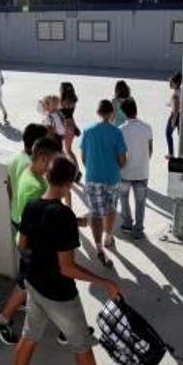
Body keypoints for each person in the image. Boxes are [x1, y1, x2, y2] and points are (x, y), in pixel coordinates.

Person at [9, 156, 121, 365]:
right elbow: (67, 267)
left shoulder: (32, 205)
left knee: (29, 337)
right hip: (59, 295)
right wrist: (104, 282)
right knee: (82, 346)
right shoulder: (63, 216)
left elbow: (22, 246)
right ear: (69, 184)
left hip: (33, 283)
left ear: (47, 177)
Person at [0, 136, 62, 345]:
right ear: (44, 159)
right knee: (39, 283)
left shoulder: (29, 175)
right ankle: (1, 320)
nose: (55, 167)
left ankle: (3, 319)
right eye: (54, 161)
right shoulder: (37, 187)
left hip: (27, 243)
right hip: (35, 247)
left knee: (29, 283)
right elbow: (39, 223)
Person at [80, 100, 127, 267]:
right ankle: (108, 237)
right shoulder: (117, 132)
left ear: (97, 112)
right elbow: (122, 161)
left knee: (96, 214)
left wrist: (94, 168)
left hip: (93, 178)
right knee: (111, 208)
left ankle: (99, 247)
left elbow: (84, 158)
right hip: (112, 179)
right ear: (112, 113)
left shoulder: (87, 131)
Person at [117, 99, 153, 240]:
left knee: (124, 198)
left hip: (125, 171)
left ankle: (127, 223)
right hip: (142, 171)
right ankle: (138, 229)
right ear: (136, 109)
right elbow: (150, 150)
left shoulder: (121, 130)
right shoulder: (147, 127)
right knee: (140, 202)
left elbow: (119, 153)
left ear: (123, 112)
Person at [59, 82, 82, 179]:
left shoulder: (61, 102)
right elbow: (70, 116)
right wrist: (75, 127)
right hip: (71, 127)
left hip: (62, 127)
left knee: (60, 150)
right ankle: (77, 172)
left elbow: (58, 116)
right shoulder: (73, 103)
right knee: (69, 150)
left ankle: (64, 172)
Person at [165, 72, 182, 159]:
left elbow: (176, 109)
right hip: (182, 116)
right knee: (181, 136)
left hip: (175, 115)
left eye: (171, 82)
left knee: (168, 133)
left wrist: (173, 121)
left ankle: (171, 153)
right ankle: (182, 154)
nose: (169, 84)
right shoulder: (180, 91)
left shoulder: (175, 95)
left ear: (175, 83)